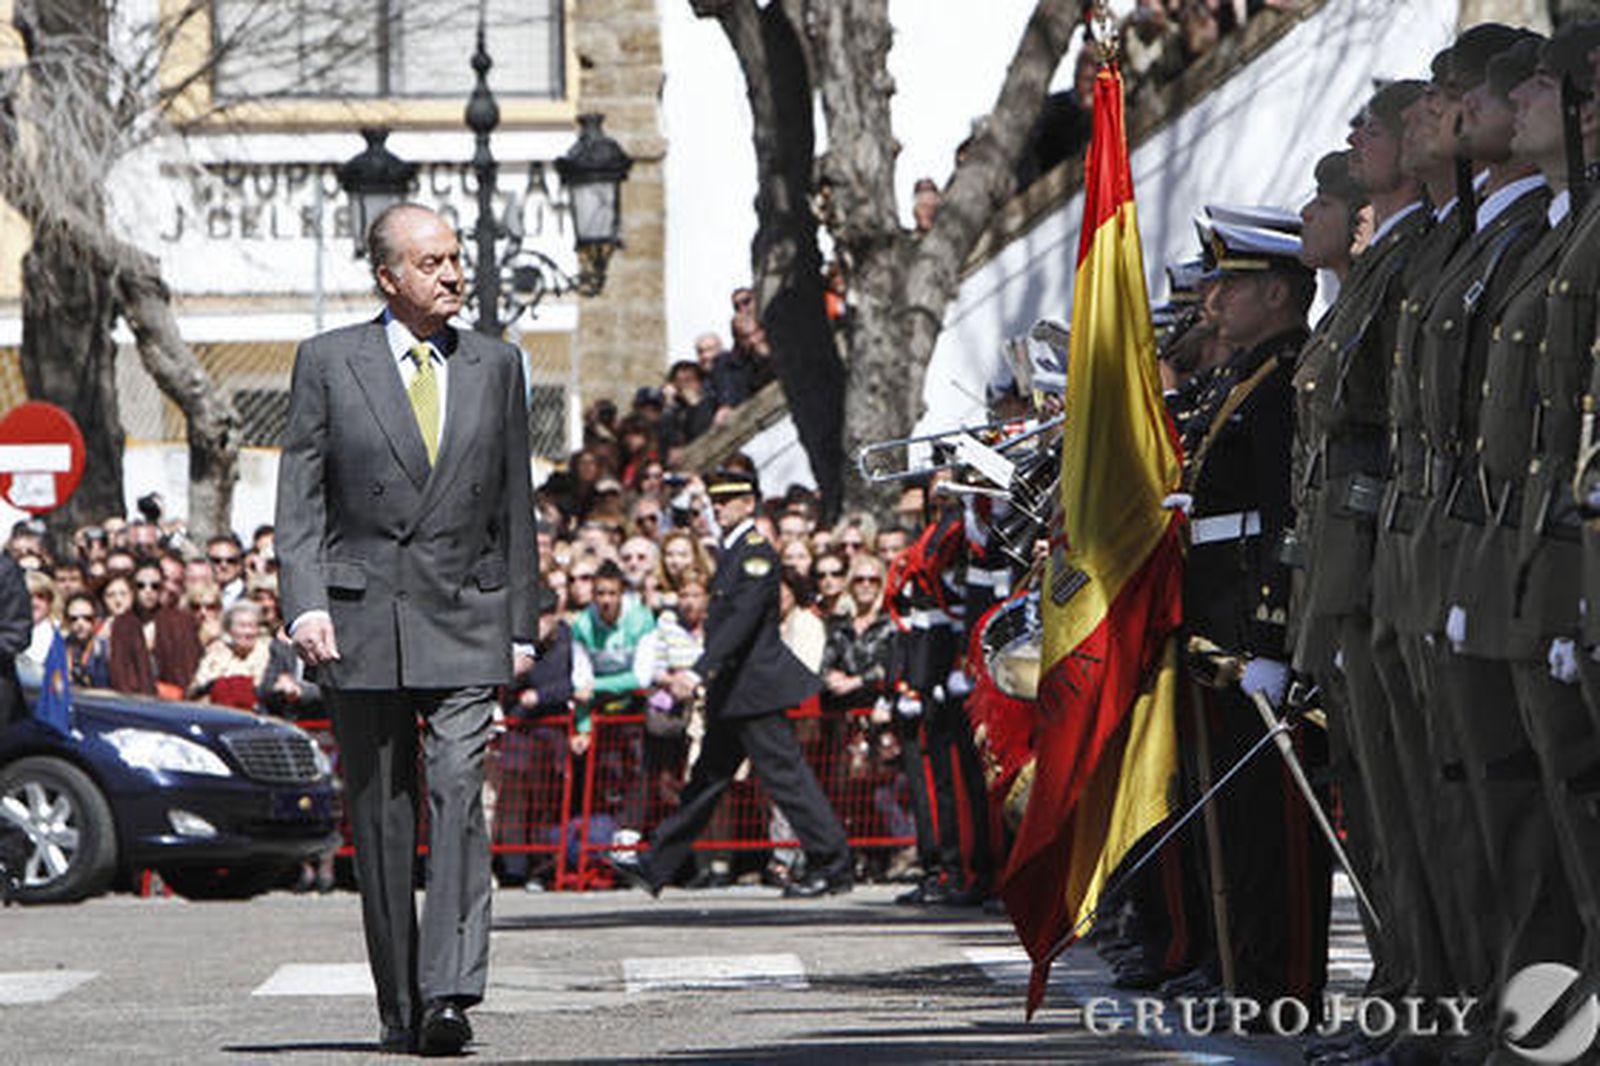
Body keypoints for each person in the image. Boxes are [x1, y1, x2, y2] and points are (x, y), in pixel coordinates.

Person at [275, 201, 538, 1057]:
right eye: (432, 262)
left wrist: (522, 622)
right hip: (361, 618)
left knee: (459, 787)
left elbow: (514, 504)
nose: (454, 274)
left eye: (457, 258)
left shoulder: (496, 364)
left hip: (466, 611)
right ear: (388, 277)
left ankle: (451, 992)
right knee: (382, 816)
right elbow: (301, 496)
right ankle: (401, 1005)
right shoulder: (327, 361)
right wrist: (304, 601)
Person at [615, 469, 851, 899]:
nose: (717, 508)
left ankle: (832, 862)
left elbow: (740, 622)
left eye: (726, 501)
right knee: (708, 778)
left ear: (748, 503)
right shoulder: (734, 550)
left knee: (786, 779)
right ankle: (657, 863)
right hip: (736, 689)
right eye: (715, 501)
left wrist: (698, 670)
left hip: (752, 687)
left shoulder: (754, 551)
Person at [107, 559, 201, 699]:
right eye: (141, 586)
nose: (148, 591)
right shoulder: (122, 625)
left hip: (176, 702)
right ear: (133, 588)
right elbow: (120, 673)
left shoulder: (180, 622)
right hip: (136, 703)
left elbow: (190, 667)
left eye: (154, 586)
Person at [188, 601, 272, 710]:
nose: (247, 632)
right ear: (229, 630)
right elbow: (197, 688)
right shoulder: (216, 652)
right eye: (242, 626)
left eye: (252, 626)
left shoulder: (269, 652)